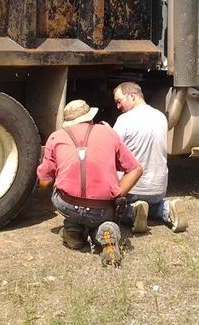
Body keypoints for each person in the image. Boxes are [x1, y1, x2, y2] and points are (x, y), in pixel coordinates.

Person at [37, 99, 143, 265]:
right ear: (91, 118)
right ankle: (105, 234)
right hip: (101, 208)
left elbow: (44, 182)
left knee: (62, 194)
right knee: (101, 221)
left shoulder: (55, 137)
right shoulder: (108, 133)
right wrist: (116, 196)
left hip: (68, 205)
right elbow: (136, 169)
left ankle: (74, 233)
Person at [113, 82, 188, 233]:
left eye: (119, 101)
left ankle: (132, 212)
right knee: (153, 205)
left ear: (132, 97)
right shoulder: (161, 117)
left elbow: (110, 151)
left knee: (111, 209)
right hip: (158, 189)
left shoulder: (124, 120)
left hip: (132, 190)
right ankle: (166, 209)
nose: (118, 107)